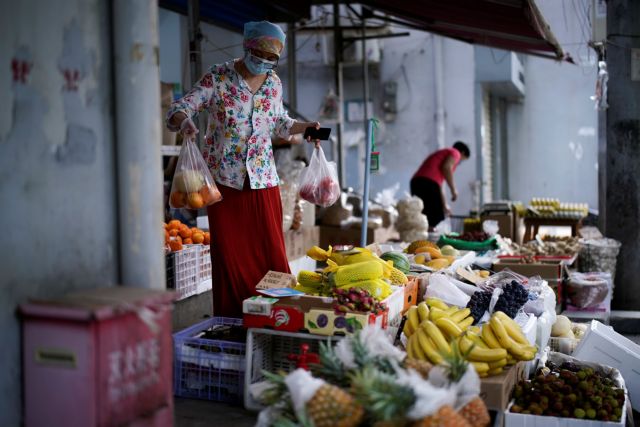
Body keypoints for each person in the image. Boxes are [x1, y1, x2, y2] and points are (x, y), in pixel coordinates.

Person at [166, 21, 321, 317]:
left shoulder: (273, 83)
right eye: (258, 53)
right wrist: (185, 121)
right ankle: (233, 321)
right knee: (230, 259)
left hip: (263, 182)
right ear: (246, 47)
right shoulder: (218, 77)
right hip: (225, 185)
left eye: (272, 57)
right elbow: (179, 108)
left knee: (271, 255)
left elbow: (280, 122)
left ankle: (277, 318)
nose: (264, 61)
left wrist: (306, 127)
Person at [410, 141, 470, 229]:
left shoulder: (442, 154)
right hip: (427, 183)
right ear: (463, 153)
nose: (459, 162)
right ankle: (430, 241)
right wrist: (453, 190)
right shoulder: (455, 152)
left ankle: (421, 240)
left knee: (423, 216)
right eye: (462, 159)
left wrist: (444, 205)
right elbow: (446, 167)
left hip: (417, 182)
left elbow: (438, 186)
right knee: (435, 218)